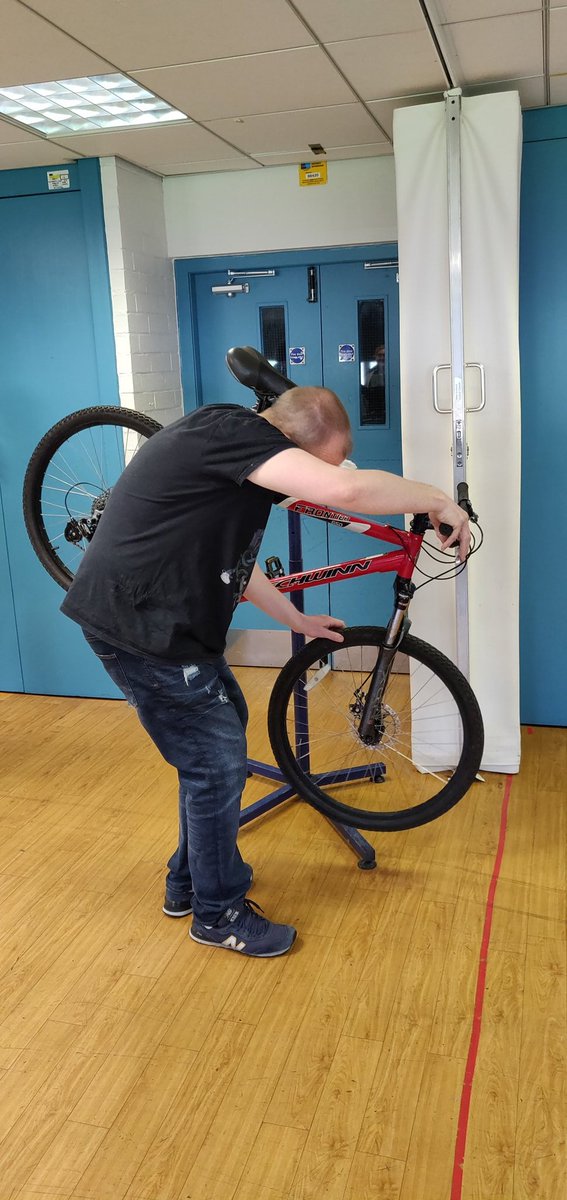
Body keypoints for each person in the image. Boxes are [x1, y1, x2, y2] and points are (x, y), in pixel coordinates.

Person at [61, 388, 469, 958]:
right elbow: (347, 490)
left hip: (164, 624)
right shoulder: (236, 438)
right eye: (319, 463)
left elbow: (232, 557)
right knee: (214, 762)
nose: (315, 479)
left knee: (217, 745)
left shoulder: (232, 449)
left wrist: (294, 617)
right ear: (293, 443)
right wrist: (435, 499)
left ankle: (188, 881)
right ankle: (217, 912)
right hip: (142, 629)